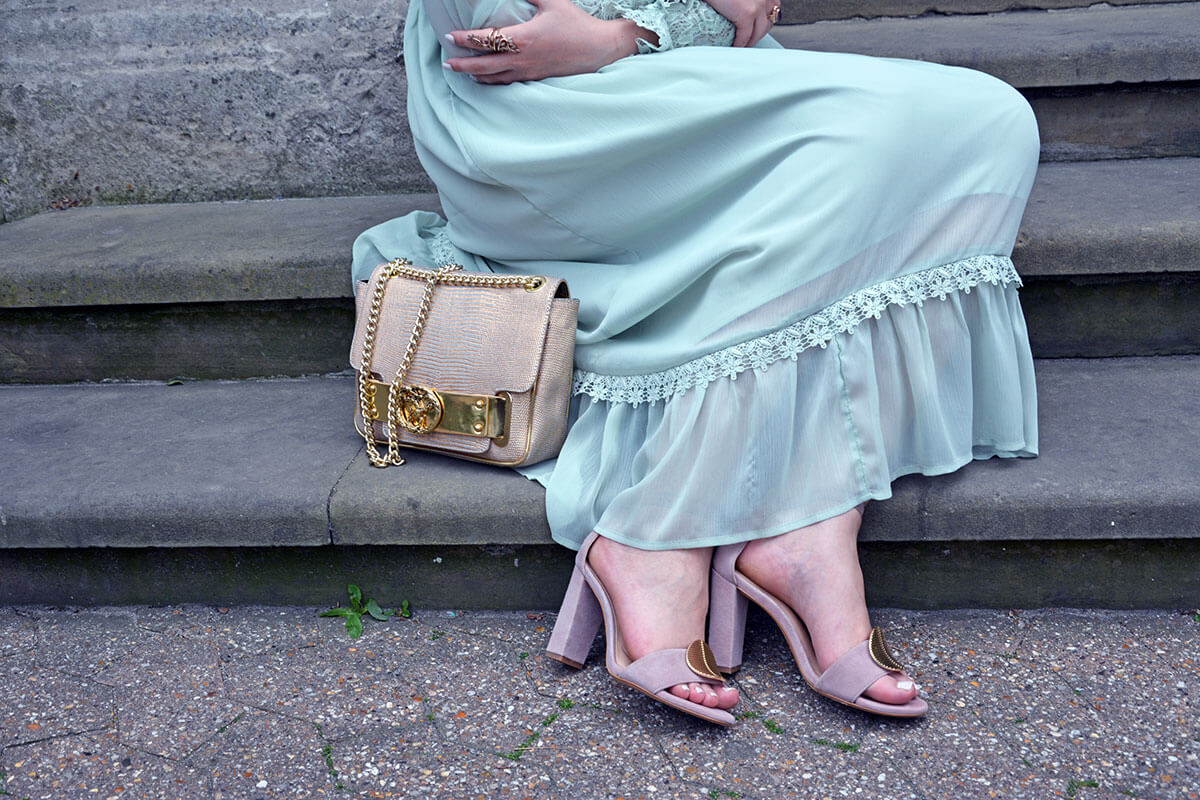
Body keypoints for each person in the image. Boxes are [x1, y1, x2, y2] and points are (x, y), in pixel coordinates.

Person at [353, 0, 1039, 725]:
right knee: (893, 137)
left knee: (988, 122)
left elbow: (751, 13)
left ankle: (811, 523)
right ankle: (657, 536)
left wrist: (641, 29)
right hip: (545, 123)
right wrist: (644, 29)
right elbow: (504, 42)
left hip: (684, 76)